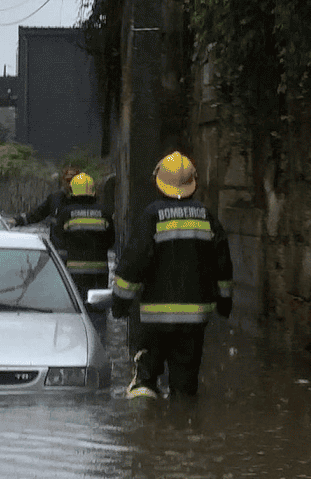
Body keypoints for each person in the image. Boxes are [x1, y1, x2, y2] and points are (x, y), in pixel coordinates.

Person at [110, 152, 234, 399]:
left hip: (154, 321)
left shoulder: (152, 216)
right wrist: (224, 304)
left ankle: (147, 428)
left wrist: (119, 305)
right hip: (193, 323)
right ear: (193, 183)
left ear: (159, 182)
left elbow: (132, 265)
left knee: (144, 384)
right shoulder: (208, 217)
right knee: (185, 389)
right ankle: (182, 427)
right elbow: (223, 269)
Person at [49, 172, 116, 297]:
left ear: (73, 191)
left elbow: (59, 241)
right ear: (93, 191)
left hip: (74, 271)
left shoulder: (66, 213)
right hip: (99, 271)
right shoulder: (104, 212)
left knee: (78, 305)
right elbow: (111, 241)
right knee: (97, 305)